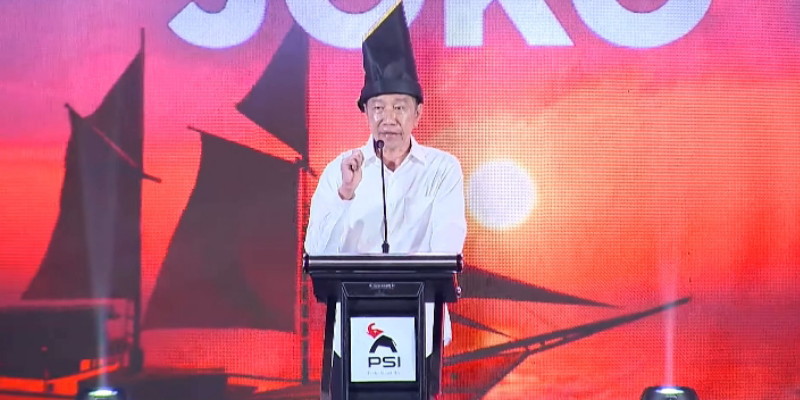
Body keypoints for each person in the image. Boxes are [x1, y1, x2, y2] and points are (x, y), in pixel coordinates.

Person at [303, 1, 466, 398]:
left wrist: (393, 282)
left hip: (420, 331)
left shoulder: (442, 169)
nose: (387, 118)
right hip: (350, 331)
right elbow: (316, 254)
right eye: (377, 107)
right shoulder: (340, 172)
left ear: (418, 113)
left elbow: (446, 249)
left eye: (399, 107)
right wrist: (345, 194)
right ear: (365, 113)